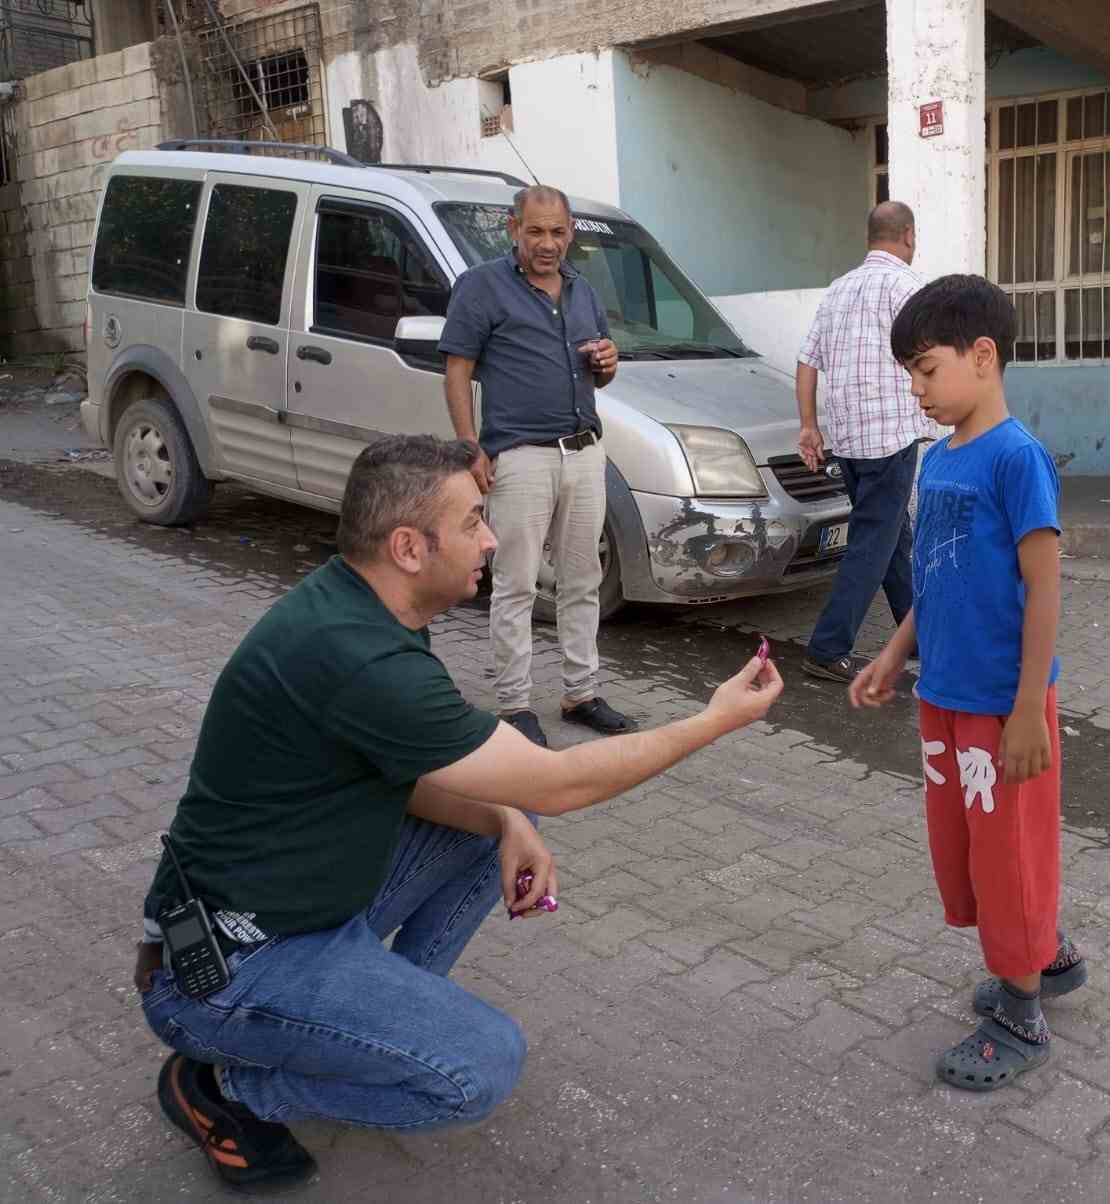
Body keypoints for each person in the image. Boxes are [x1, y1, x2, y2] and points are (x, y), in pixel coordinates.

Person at [134, 435, 783, 1192]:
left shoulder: (365, 608)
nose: (492, 537)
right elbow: (561, 781)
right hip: (222, 970)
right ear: (409, 547)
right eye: (475, 520)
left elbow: (412, 775)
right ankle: (228, 1090)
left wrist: (507, 823)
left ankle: (359, 1033)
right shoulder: (359, 656)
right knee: (478, 1068)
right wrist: (712, 722)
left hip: (295, 914)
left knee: (494, 819)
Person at [850, 275, 1087, 1092]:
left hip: (1002, 706)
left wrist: (1029, 709)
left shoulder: (1016, 458)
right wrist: (894, 653)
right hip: (943, 696)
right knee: (972, 846)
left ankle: (1021, 1010)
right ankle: (1042, 954)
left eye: (925, 370)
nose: (916, 391)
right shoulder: (941, 456)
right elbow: (936, 576)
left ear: (982, 357)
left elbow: (1045, 589)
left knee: (1009, 849)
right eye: (910, 375)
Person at [441, 183, 635, 746]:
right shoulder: (481, 288)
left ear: (570, 232)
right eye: (535, 231)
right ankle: (515, 704)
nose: (547, 243)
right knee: (517, 584)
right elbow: (457, 370)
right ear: (514, 229)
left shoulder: (582, 290)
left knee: (582, 580)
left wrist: (608, 360)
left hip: (583, 451)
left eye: (557, 232)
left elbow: (601, 370)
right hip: (520, 457)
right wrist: (468, 445)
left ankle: (581, 693)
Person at [795, 200, 937, 683]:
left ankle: (918, 635)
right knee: (873, 544)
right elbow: (933, 357)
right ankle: (827, 647)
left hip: (848, 438)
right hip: (891, 436)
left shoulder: (837, 290)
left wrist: (809, 426)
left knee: (894, 535)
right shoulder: (909, 288)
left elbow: (806, 361)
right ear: (909, 236)